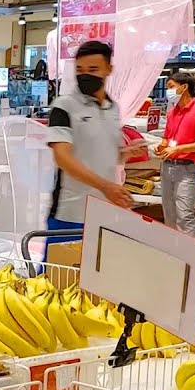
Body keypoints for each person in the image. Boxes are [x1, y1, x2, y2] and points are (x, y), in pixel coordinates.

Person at [46, 40, 136, 246]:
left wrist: (125, 153)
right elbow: (62, 157)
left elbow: (102, 153)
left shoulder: (113, 109)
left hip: (104, 210)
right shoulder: (64, 107)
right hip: (69, 212)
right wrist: (105, 186)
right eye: (80, 70)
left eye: (93, 69)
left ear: (108, 69)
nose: (85, 75)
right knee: (59, 274)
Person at [157, 72, 195, 238]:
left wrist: (179, 149)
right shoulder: (172, 112)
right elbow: (167, 138)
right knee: (169, 214)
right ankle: (173, 253)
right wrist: (162, 147)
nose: (168, 91)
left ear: (184, 87)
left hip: (187, 169)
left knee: (184, 215)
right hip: (167, 167)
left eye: (171, 87)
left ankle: (191, 257)